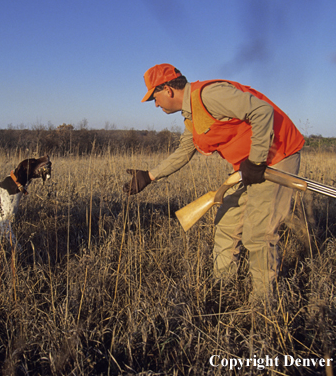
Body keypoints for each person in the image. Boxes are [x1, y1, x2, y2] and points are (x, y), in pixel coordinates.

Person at [123, 63, 305, 302]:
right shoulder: (191, 116)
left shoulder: (210, 95)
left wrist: (257, 160)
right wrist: (149, 176)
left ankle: (263, 304)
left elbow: (262, 111)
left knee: (258, 234)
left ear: (167, 89)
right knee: (226, 221)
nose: (155, 104)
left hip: (276, 159)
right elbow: (184, 151)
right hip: (249, 168)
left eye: (154, 97)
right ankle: (223, 285)